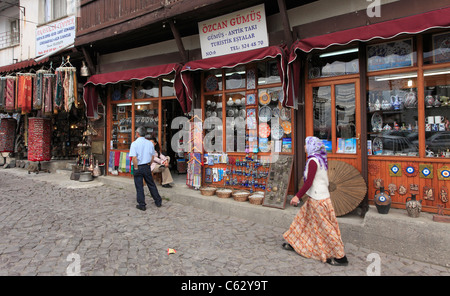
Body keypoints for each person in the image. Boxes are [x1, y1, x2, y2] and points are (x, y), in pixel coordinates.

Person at [282, 136, 348, 266]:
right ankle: (295, 243)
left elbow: (309, 182)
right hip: (319, 197)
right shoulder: (321, 159)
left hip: (318, 199)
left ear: (312, 147)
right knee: (302, 221)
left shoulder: (313, 161)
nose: (305, 147)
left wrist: (297, 196)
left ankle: (341, 257)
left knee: (326, 228)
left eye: (306, 145)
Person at [129, 127, 162, 211]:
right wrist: (149, 165)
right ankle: (158, 201)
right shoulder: (149, 143)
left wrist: (136, 168)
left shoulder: (134, 144)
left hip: (138, 166)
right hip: (146, 166)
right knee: (151, 184)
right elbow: (152, 156)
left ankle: (142, 204)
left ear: (137, 133)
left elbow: (134, 157)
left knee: (139, 186)